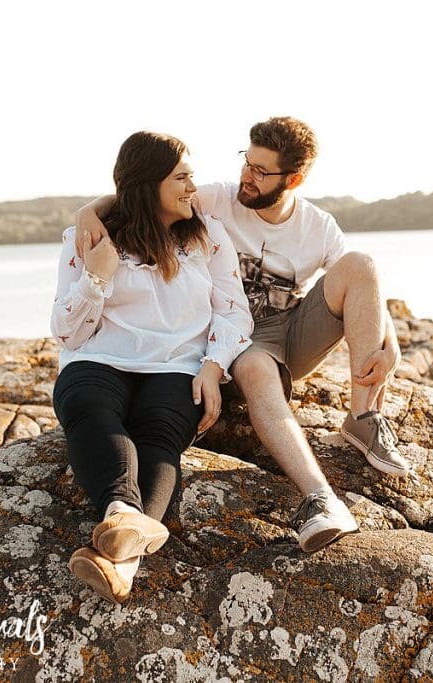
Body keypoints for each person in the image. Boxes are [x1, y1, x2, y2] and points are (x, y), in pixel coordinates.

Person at [76, 117, 410, 554]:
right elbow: (141, 193)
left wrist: (393, 342)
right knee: (254, 366)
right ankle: (320, 498)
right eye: (246, 162)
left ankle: (363, 418)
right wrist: (88, 211)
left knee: (361, 263)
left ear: (294, 178)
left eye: (260, 171)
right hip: (239, 338)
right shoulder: (218, 199)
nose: (246, 177)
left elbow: (363, 287)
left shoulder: (318, 225)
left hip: (290, 331)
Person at [52, 131, 252, 604]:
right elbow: (66, 332)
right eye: (181, 177)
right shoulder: (87, 237)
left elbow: (233, 309)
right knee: (86, 403)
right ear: (148, 184)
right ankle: (124, 518)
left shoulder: (207, 234)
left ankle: (119, 548)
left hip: (178, 365)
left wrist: (213, 365)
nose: (192, 186)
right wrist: (97, 274)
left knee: (160, 434)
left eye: (191, 176)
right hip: (100, 357)